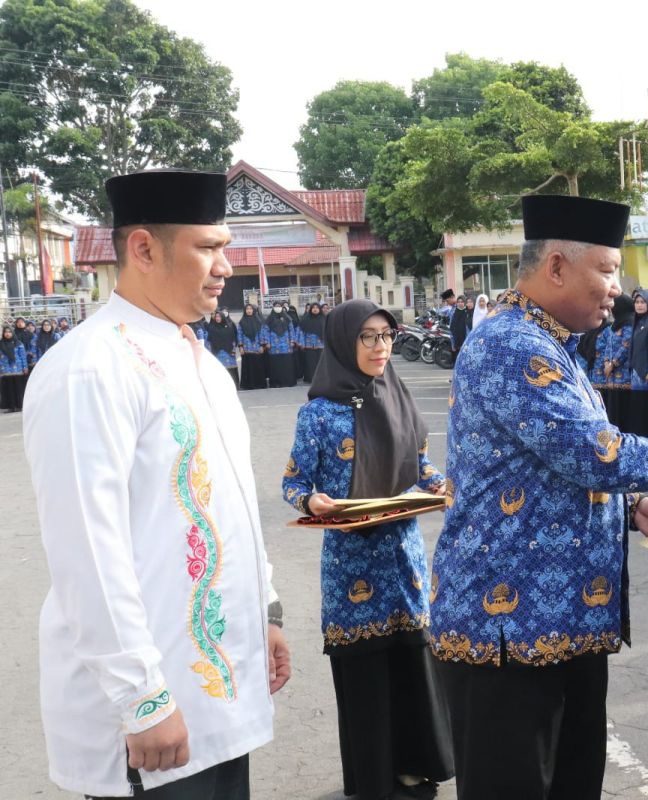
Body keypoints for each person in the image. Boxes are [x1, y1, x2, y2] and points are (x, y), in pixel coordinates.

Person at [429, 193, 648, 800]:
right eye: (607, 269)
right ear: (556, 266)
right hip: (511, 627)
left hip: (561, 621)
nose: (617, 286)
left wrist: (631, 508)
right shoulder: (514, 345)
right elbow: (595, 452)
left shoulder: (551, 341)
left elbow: (548, 465)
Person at [23, 169, 291, 799]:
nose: (225, 266)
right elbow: (87, 552)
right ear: (143, 249)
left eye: (225, 246)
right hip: (149, 715)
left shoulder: (200, 361)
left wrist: (266, 609)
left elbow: (229, 507)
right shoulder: (89, 369)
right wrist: (142, 698)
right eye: (207, 247)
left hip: (216, 699)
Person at [283, 299, 454, 800]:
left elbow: (424, 470)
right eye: (368, 338)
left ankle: (412, 764)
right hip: (350, 563)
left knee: (409, 663)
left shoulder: (399, 397)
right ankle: (374, 776)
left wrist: (444, 490)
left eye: (386, 337)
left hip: (402, 557)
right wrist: (312, 499)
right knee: (365, 672)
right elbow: (294, 482)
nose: (380, 348)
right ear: (343, 342)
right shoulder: (317, 413)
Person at [626, 288, 648, 437]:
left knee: (646, 411)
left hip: (647, 375)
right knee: (638, 410)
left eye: (643, 302)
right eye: (637, 302)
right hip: (636, 373)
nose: (639, 305)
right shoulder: (638, 320)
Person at [602, 293, 635, 426]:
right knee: (613, 412)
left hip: (625, 376)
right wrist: (606, 363)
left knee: (624, 414)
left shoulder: (629, 323)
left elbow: (626, 345)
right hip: (611, 377)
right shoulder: (614, 325)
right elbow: (608, 346)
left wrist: (613, 364)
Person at [264, 301, 297, 388]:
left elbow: (291, 330)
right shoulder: (269, 318)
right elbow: (266, 331)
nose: (277, 308)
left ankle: (288, 382)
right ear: (273, 307)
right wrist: (267, 342)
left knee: (286, 364)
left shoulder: (287, 318)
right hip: (274, 346)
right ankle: (276, 383)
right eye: (276, 306)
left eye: (279, 306)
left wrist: (292, 341)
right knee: (276, 365)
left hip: (286, 345)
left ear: (282, 307)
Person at [237, 304, 268, 390]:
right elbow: (239, 334)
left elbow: (262, 334)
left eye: (250, 309)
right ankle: (248, 385)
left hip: (257, 348)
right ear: (245, 310)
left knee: (258, 367)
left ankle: (259, 384)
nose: (249, 310)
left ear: (253, 310)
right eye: (247, 309)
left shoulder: (259, 321)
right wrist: (240, 346)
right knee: (248, 368)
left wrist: (262, 346)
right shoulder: (241, 322)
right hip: (246, 349)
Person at [206, 309, 239, 386]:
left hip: (229, 352)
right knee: (219, 370)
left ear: (222, 317)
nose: (217, 318)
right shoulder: (212, 328)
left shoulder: (229, 327)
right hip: (217, 352)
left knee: (230, 370)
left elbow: (233, 339)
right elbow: (209, 340)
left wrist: (233, 350)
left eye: (219, 316)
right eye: (216, 317)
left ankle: (233, 385)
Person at [0, 324, 28, 412]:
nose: (7, 334)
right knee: (9, 389)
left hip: (18, 369)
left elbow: (23, 356)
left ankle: (19, 406)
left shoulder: (18, 343)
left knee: (18, 388)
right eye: (5, 332)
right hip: (5, 369)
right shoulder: (1, 344)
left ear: (12, 333)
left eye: (9, 332)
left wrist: (25, 367)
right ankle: (11, 407)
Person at [297, 302, 325, 383]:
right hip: (308, 345)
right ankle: (311, 379)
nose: (315, 309)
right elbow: (301, 332)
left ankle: (321, 379)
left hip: (321, 345)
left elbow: (328, 332)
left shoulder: (324, 319)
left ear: (319, 309)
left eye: (317, 308)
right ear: (311, 309)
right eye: (313, 308)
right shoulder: (305, 319)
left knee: (321, 363)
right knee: (310, 363)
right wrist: (302, 343)